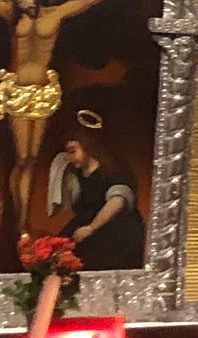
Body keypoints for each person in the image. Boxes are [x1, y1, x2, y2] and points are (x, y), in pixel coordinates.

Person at [0, 0, 143, 241]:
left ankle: (22, 220)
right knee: (22, 157)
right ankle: (20, 223)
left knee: (33, 158)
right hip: (19, 90)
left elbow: (87, 0)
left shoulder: (55, 14)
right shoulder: (10, 16)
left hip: (43, 92)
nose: (22, 0)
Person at [50, 113, 147, 269]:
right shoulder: (77, 176)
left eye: (73, 151)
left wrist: (91, 227)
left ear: (88, 147)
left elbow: (117, 201)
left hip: (115, 230)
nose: (69, 157)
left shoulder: (113, 170)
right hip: (87, 229)